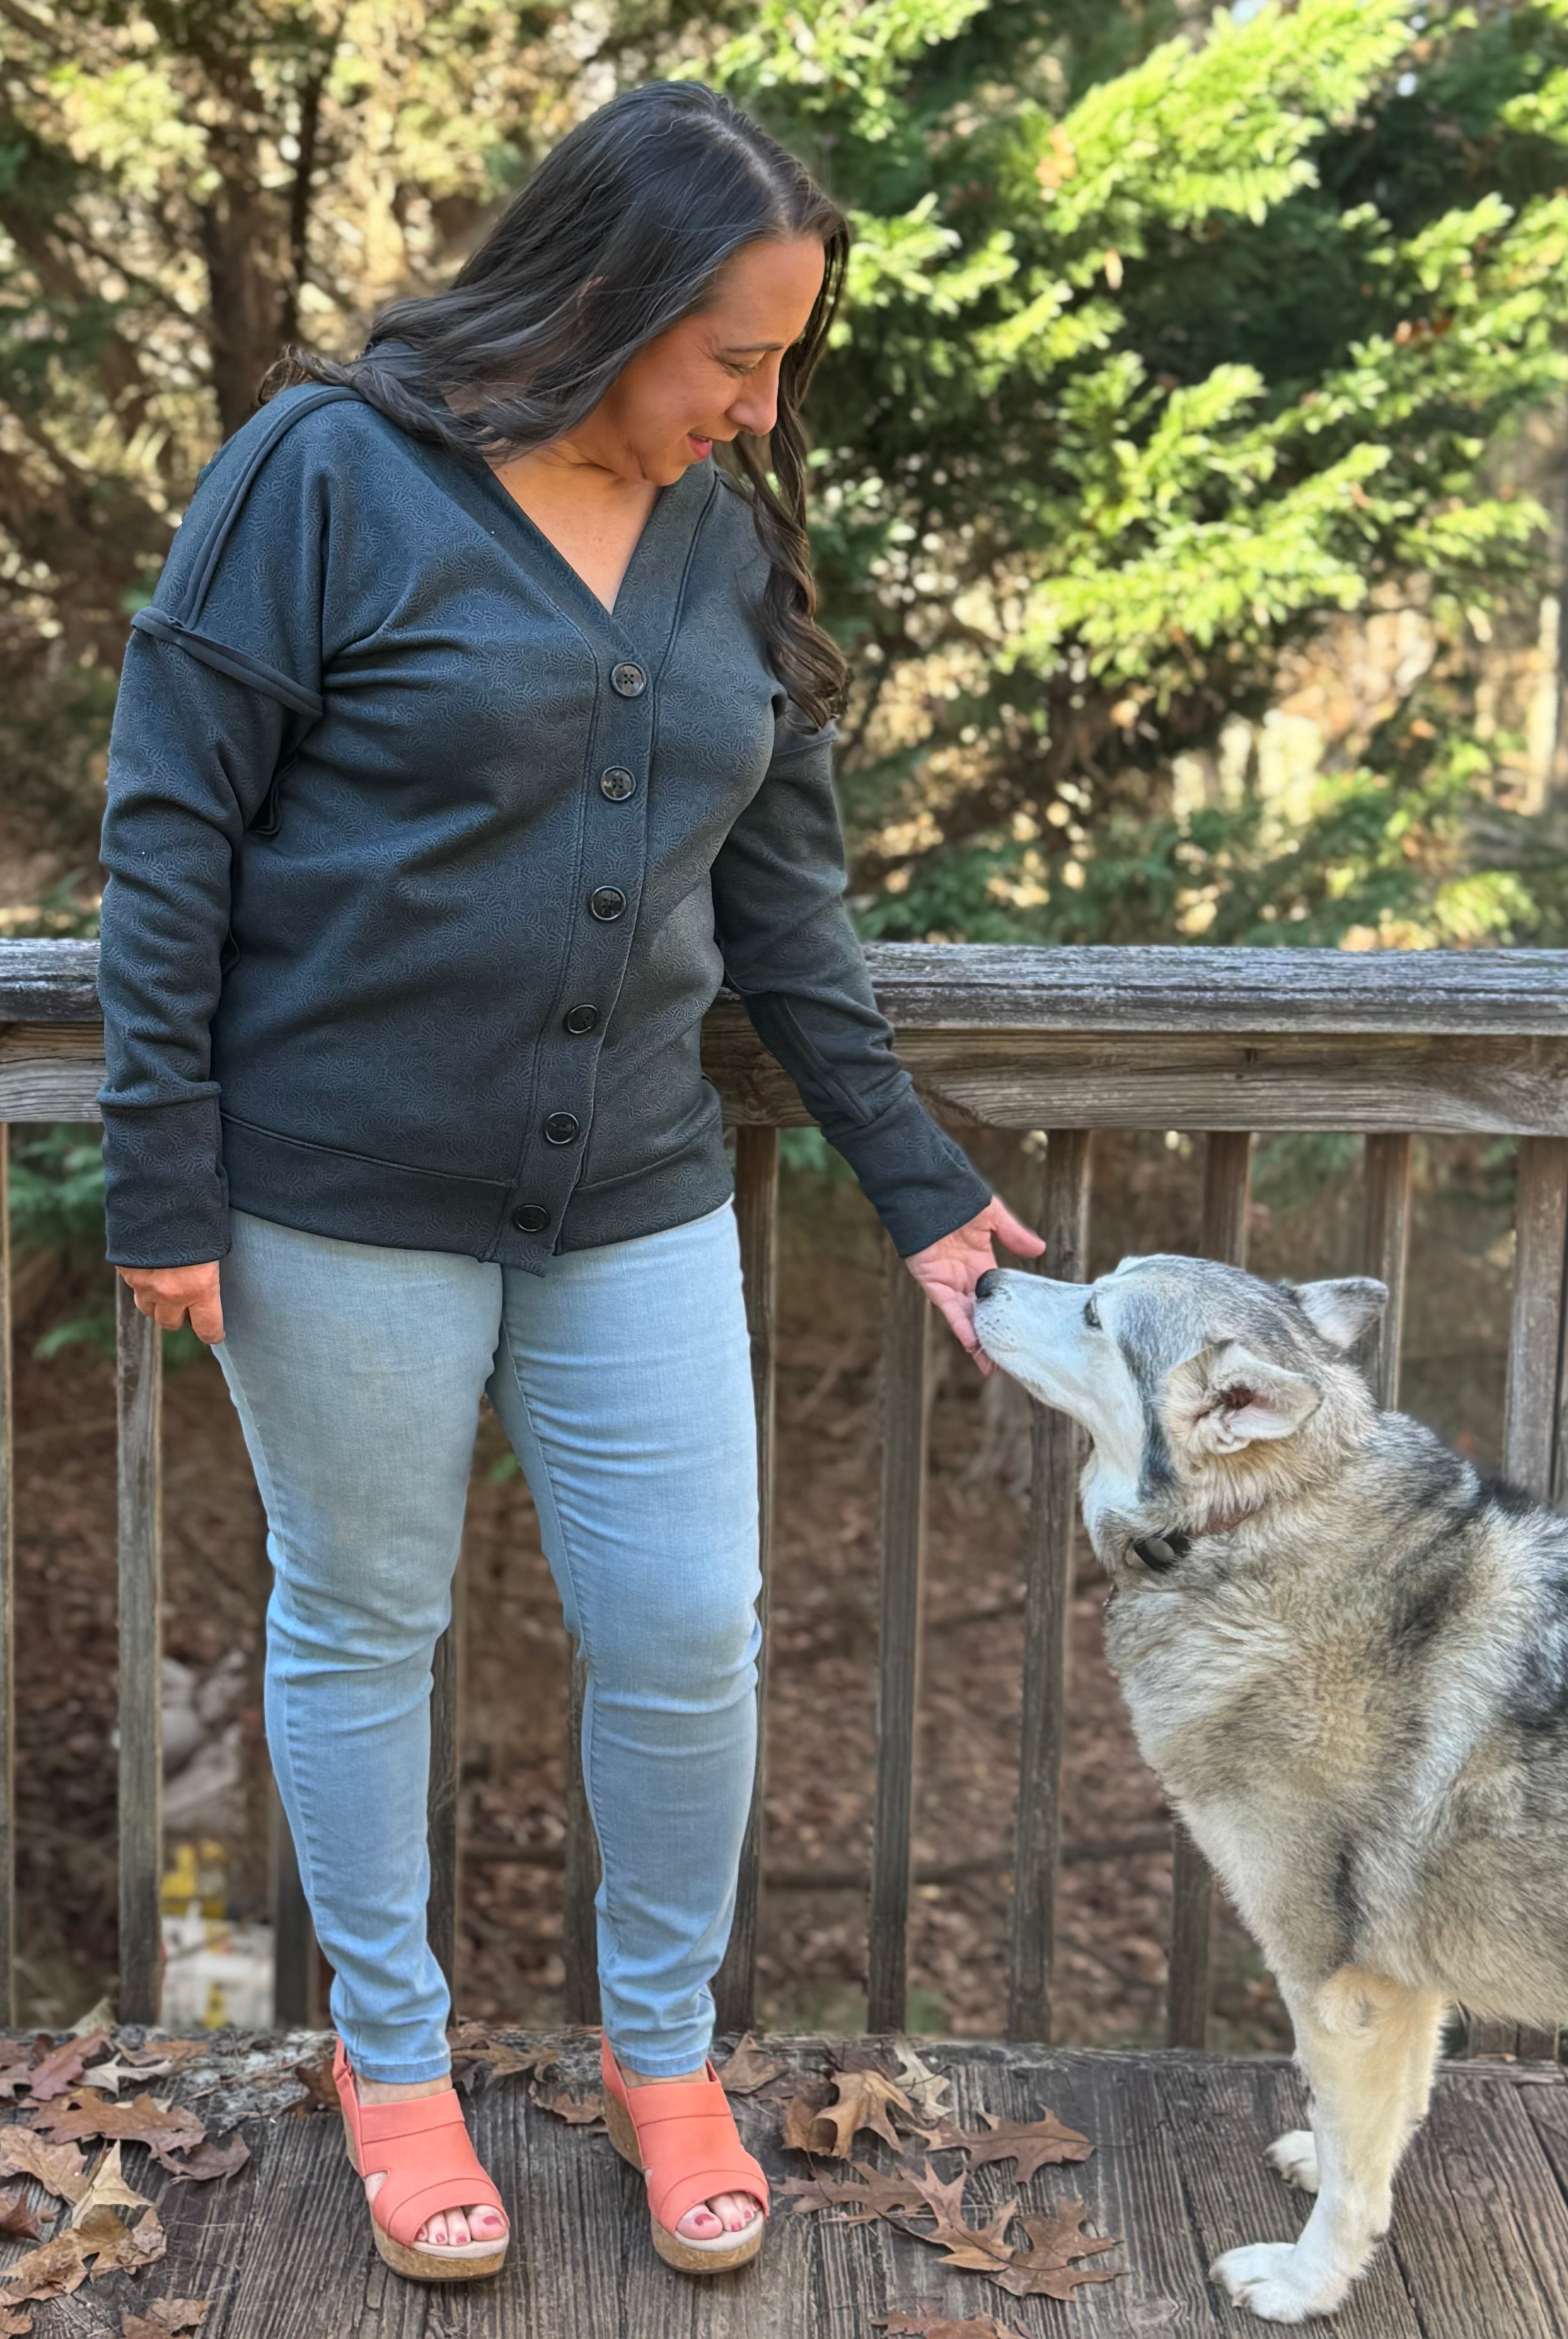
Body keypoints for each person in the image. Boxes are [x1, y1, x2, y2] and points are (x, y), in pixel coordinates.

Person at [96, 79, 1043, 2284]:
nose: (762, 398)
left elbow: (784, 903)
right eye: (735, 350)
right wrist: (164, 1168)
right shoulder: (326, 472)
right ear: (603, 298)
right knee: (361, 1620)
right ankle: (396, 2064)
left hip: (630, 1183)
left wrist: (908, 1175)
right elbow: (172, 826)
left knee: (686, 1630)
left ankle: (658, 2045)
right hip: (335, 1192)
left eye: (788, 353)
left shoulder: (731, 532)